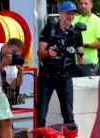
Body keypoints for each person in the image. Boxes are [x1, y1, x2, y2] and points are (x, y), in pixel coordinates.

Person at [36, 1, 85, 129]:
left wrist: (81, 56)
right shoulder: (50, 28)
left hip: (65, 76)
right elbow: (39, 53)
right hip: (47, 75)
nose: (71, 16)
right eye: (68, 13)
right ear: (61, 14)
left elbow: (80, 51)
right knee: (41, 113)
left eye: (73, 14)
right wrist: (48, 52)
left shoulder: (75, 32)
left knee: (68, 113)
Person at [72, 0, 100, 76]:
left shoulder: (98, 21)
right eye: (81, 3)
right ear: (78, 5)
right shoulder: (73, 19)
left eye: (86, 3)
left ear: (91, 5)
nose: (83, 6)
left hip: (89, 62)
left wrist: (84, 45)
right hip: (72, 61)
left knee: (88, 87)